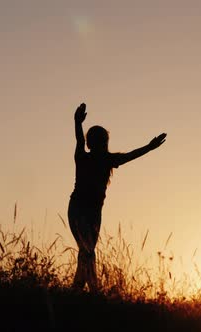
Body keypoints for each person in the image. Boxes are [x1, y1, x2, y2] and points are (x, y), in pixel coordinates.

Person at [68, 102, 167, 292]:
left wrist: (149, 147)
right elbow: (80, 141)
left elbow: (130, 156)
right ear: (95, 143)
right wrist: (77, 122)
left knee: (86, 251)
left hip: (92, 211)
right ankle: (93, 290)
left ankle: (77, 290)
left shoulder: (106, 159)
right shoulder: (88, 157)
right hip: (79, 209)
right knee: (87, 250)